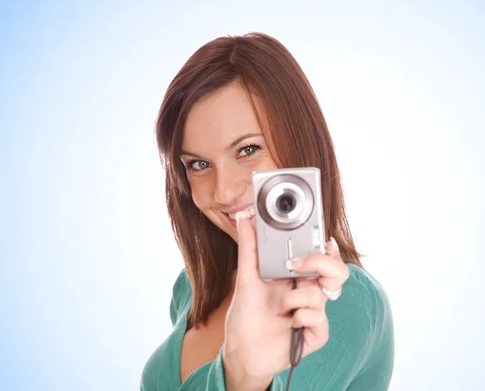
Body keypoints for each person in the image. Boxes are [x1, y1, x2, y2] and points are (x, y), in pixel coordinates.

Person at [140, 32, 394, 391]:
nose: (224, 191)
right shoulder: (192, 287)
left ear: (300, 143)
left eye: (247, 150)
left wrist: (245, 376)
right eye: (198, 164)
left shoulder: (341, 301)